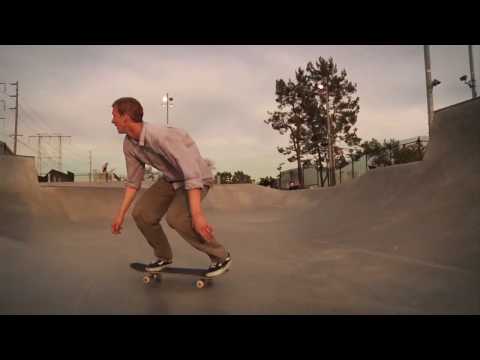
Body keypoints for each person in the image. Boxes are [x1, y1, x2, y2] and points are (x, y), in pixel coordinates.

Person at [110, 97, 231, 277]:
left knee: (177, 218)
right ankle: (163, 256)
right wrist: (121, 213)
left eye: (114, 116)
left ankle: (220, 256)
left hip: (197, 177)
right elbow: (134, 181)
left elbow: (191, 173)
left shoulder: (161, 136)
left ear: (126, 117)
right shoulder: (129, 144)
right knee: (142, 213)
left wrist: (197, 215)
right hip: (172, 179)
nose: (112, 121)